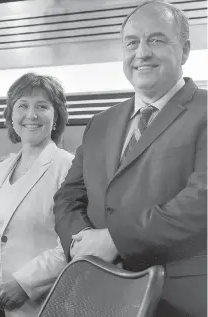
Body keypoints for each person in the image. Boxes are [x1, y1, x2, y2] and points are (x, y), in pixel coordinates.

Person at [53, 1, 207, 317]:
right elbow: (68, 197)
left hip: (177, 300)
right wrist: (84, 246)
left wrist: (116, 239)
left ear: (185, 51)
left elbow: (200, 202)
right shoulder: (101, 122)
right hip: (97, 292)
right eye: (132, 42)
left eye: (156, 40)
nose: (142, 52)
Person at [0, 73, 73, 317]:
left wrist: (24, 283)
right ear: (11, 116)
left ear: (56, 117)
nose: (31, 115)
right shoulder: (2, 168)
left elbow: (71, 245)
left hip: (44, 304)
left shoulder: (67, 166)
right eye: (22, 106)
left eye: (42, 106)